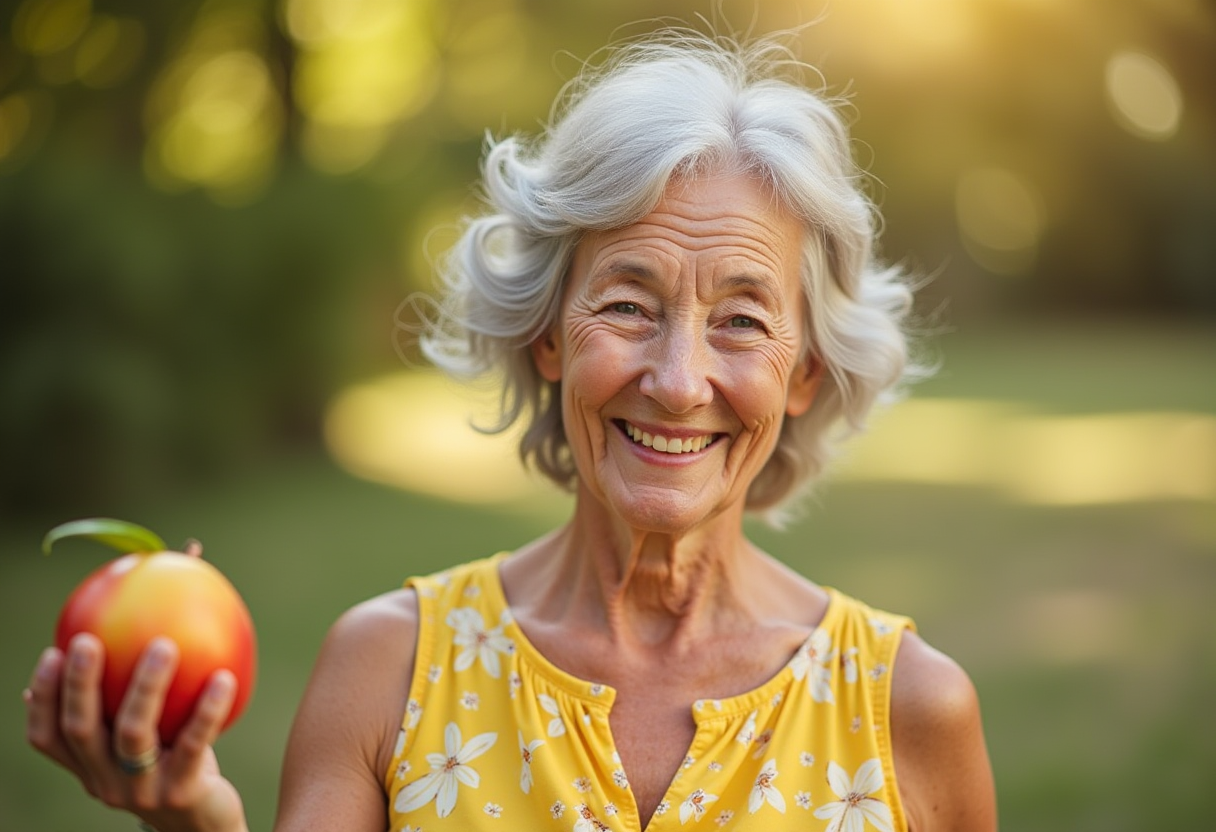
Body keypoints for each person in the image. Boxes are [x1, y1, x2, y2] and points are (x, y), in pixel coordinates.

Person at [25, 30, 997, 832]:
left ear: (805, 373)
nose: (676, 381)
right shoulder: (388, 669)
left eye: (740, 320)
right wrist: (194, 824)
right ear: (547, 335)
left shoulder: (909, 708)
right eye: (628, 305)